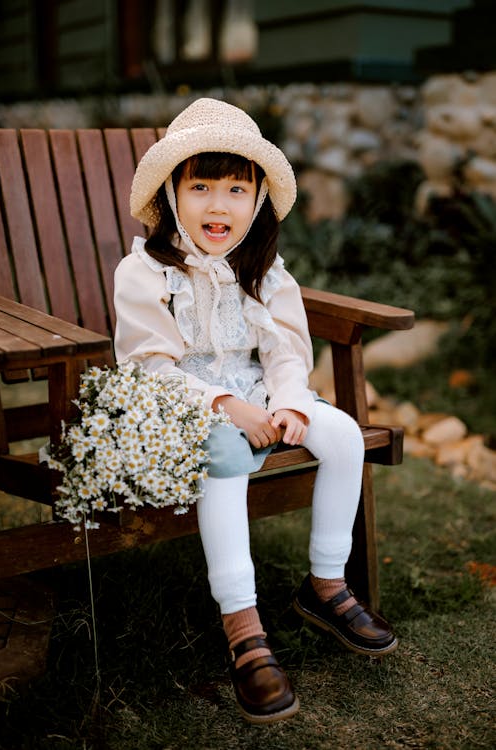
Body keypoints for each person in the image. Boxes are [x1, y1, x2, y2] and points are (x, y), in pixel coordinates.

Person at [114, 97, 397, 725]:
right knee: (226, 454)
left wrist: (292, 403)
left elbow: (287, 351)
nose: (220, 205)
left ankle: (325, 585)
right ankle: (243, 625)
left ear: (258, 201)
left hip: (261, 391)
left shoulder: (265, 270)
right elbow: (148, 365)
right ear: (172, 194)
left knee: (345, 435)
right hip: (181, 402)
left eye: (237, 189)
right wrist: (225, 405)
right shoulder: (144, 272)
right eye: (203, 186)